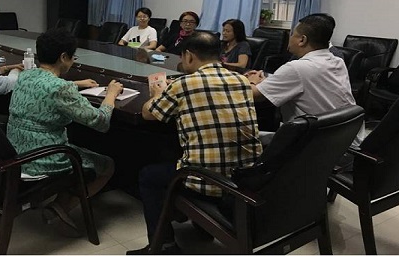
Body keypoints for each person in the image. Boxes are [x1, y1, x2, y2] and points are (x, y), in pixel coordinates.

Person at [128, 31, 262, 255]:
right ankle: (201, 227)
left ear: (189, 56)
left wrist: (157, 93)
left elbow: (148, 114)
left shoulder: (183, 84)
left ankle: (164, 246)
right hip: (247, 177)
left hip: (209, 179)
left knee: (149, 176)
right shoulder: (240, 79)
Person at [7, 28, 124, 234]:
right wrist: (111, 94)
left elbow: (47, 85)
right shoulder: (61, 88)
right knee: (107, 165)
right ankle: (61, 207)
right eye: (73, 57)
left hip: (15, 151)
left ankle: (60, 200)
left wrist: (76, 83)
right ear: (63, 57)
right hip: (44, 158)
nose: (73, 61)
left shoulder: (26, 75)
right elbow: (101, 121)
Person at [247, 13, 366, 146]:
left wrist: (252, 81)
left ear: (302, 40)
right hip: (346, 139)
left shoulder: (297, 67)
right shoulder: (337, 61)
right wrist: (267, 82)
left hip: (318, 146)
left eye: (292, 34)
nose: (290, 38)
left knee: (245, 139)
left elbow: (255, 95)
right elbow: (306, 84)